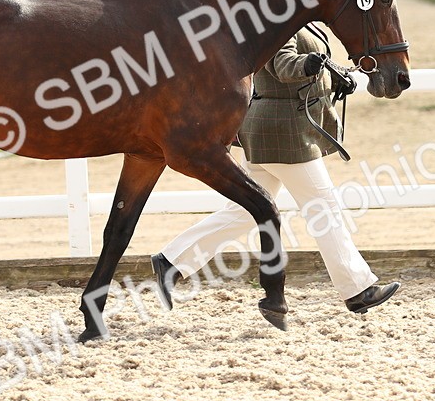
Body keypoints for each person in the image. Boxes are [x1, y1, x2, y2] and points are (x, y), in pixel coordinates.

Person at [151, 25, 400, 315]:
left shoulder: (302, 21)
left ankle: (171, 261)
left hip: (273, 129)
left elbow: (302, 74)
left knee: (243, 212)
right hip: (284, 132)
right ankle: (358, 289)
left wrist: (333, 78)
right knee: (324, 209)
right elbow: (283, 67)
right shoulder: (279, 23)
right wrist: (309, 64)